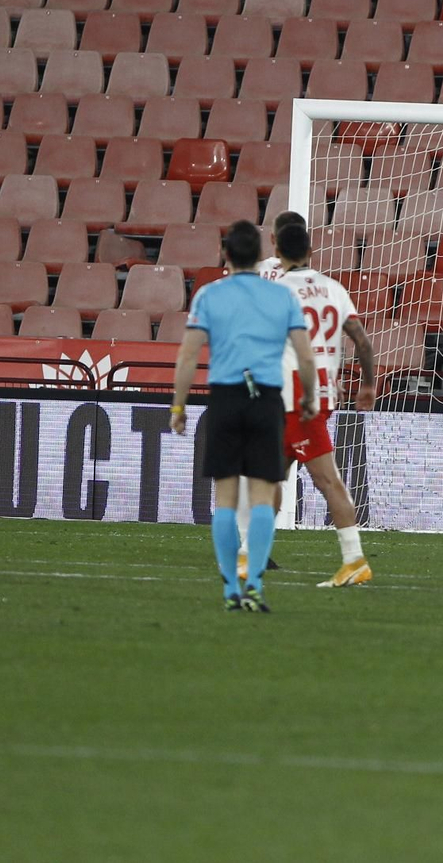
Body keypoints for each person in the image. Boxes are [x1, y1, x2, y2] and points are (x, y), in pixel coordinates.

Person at [171, 220, 318, 613]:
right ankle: (254, 583)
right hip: (267, 400)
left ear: (225, 254)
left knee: (224, 499)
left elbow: (188, 355)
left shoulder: (208, 295)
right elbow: (305, 355)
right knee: (261, 497)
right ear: (258, 256)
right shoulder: (282, 296)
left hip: (225, 397)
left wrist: (179, 405)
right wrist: (310, 399)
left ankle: (228, 590)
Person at [271, 222, 378, 589]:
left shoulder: (276, 290)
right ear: (311, 251)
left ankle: (354, 560)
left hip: (297, 394)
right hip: (325, 390)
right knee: (272, 472)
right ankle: (254, 551)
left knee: (326, 479)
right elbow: (361, 341)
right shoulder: (333, 288)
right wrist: (367, 384)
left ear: (277, 252)